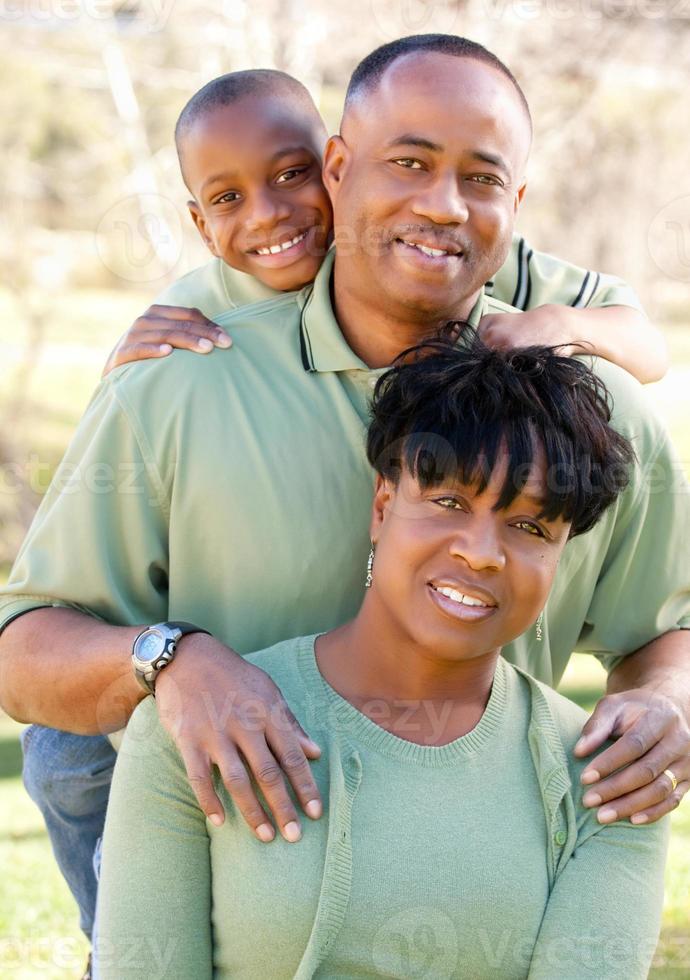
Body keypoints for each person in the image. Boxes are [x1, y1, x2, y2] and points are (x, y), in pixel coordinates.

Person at [1, 32, 689, 960]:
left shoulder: (589, 411)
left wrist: (668, 702)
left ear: (515, 204)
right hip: (210, 923)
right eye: (408, 162)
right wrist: (173, 659)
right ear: (336, 168)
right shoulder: (180, 382)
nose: (441, 205)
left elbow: (666, 630)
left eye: (480, 179)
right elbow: (22, 652)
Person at [96, 334, 669, 980]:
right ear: (383, 505)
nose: (482, 552)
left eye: (531, 526)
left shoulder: (610, 777)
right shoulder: (196, 727)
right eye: (450, 501)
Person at [103, 70, 667, 384]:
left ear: (335, 169)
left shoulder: (451, 255)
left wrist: (552, 325)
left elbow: (649, 350)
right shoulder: (203, 304)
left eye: (292, 174)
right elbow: (128, 388)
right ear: (202, 226)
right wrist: (117, 368)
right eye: (229, 198)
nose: (266, 213)